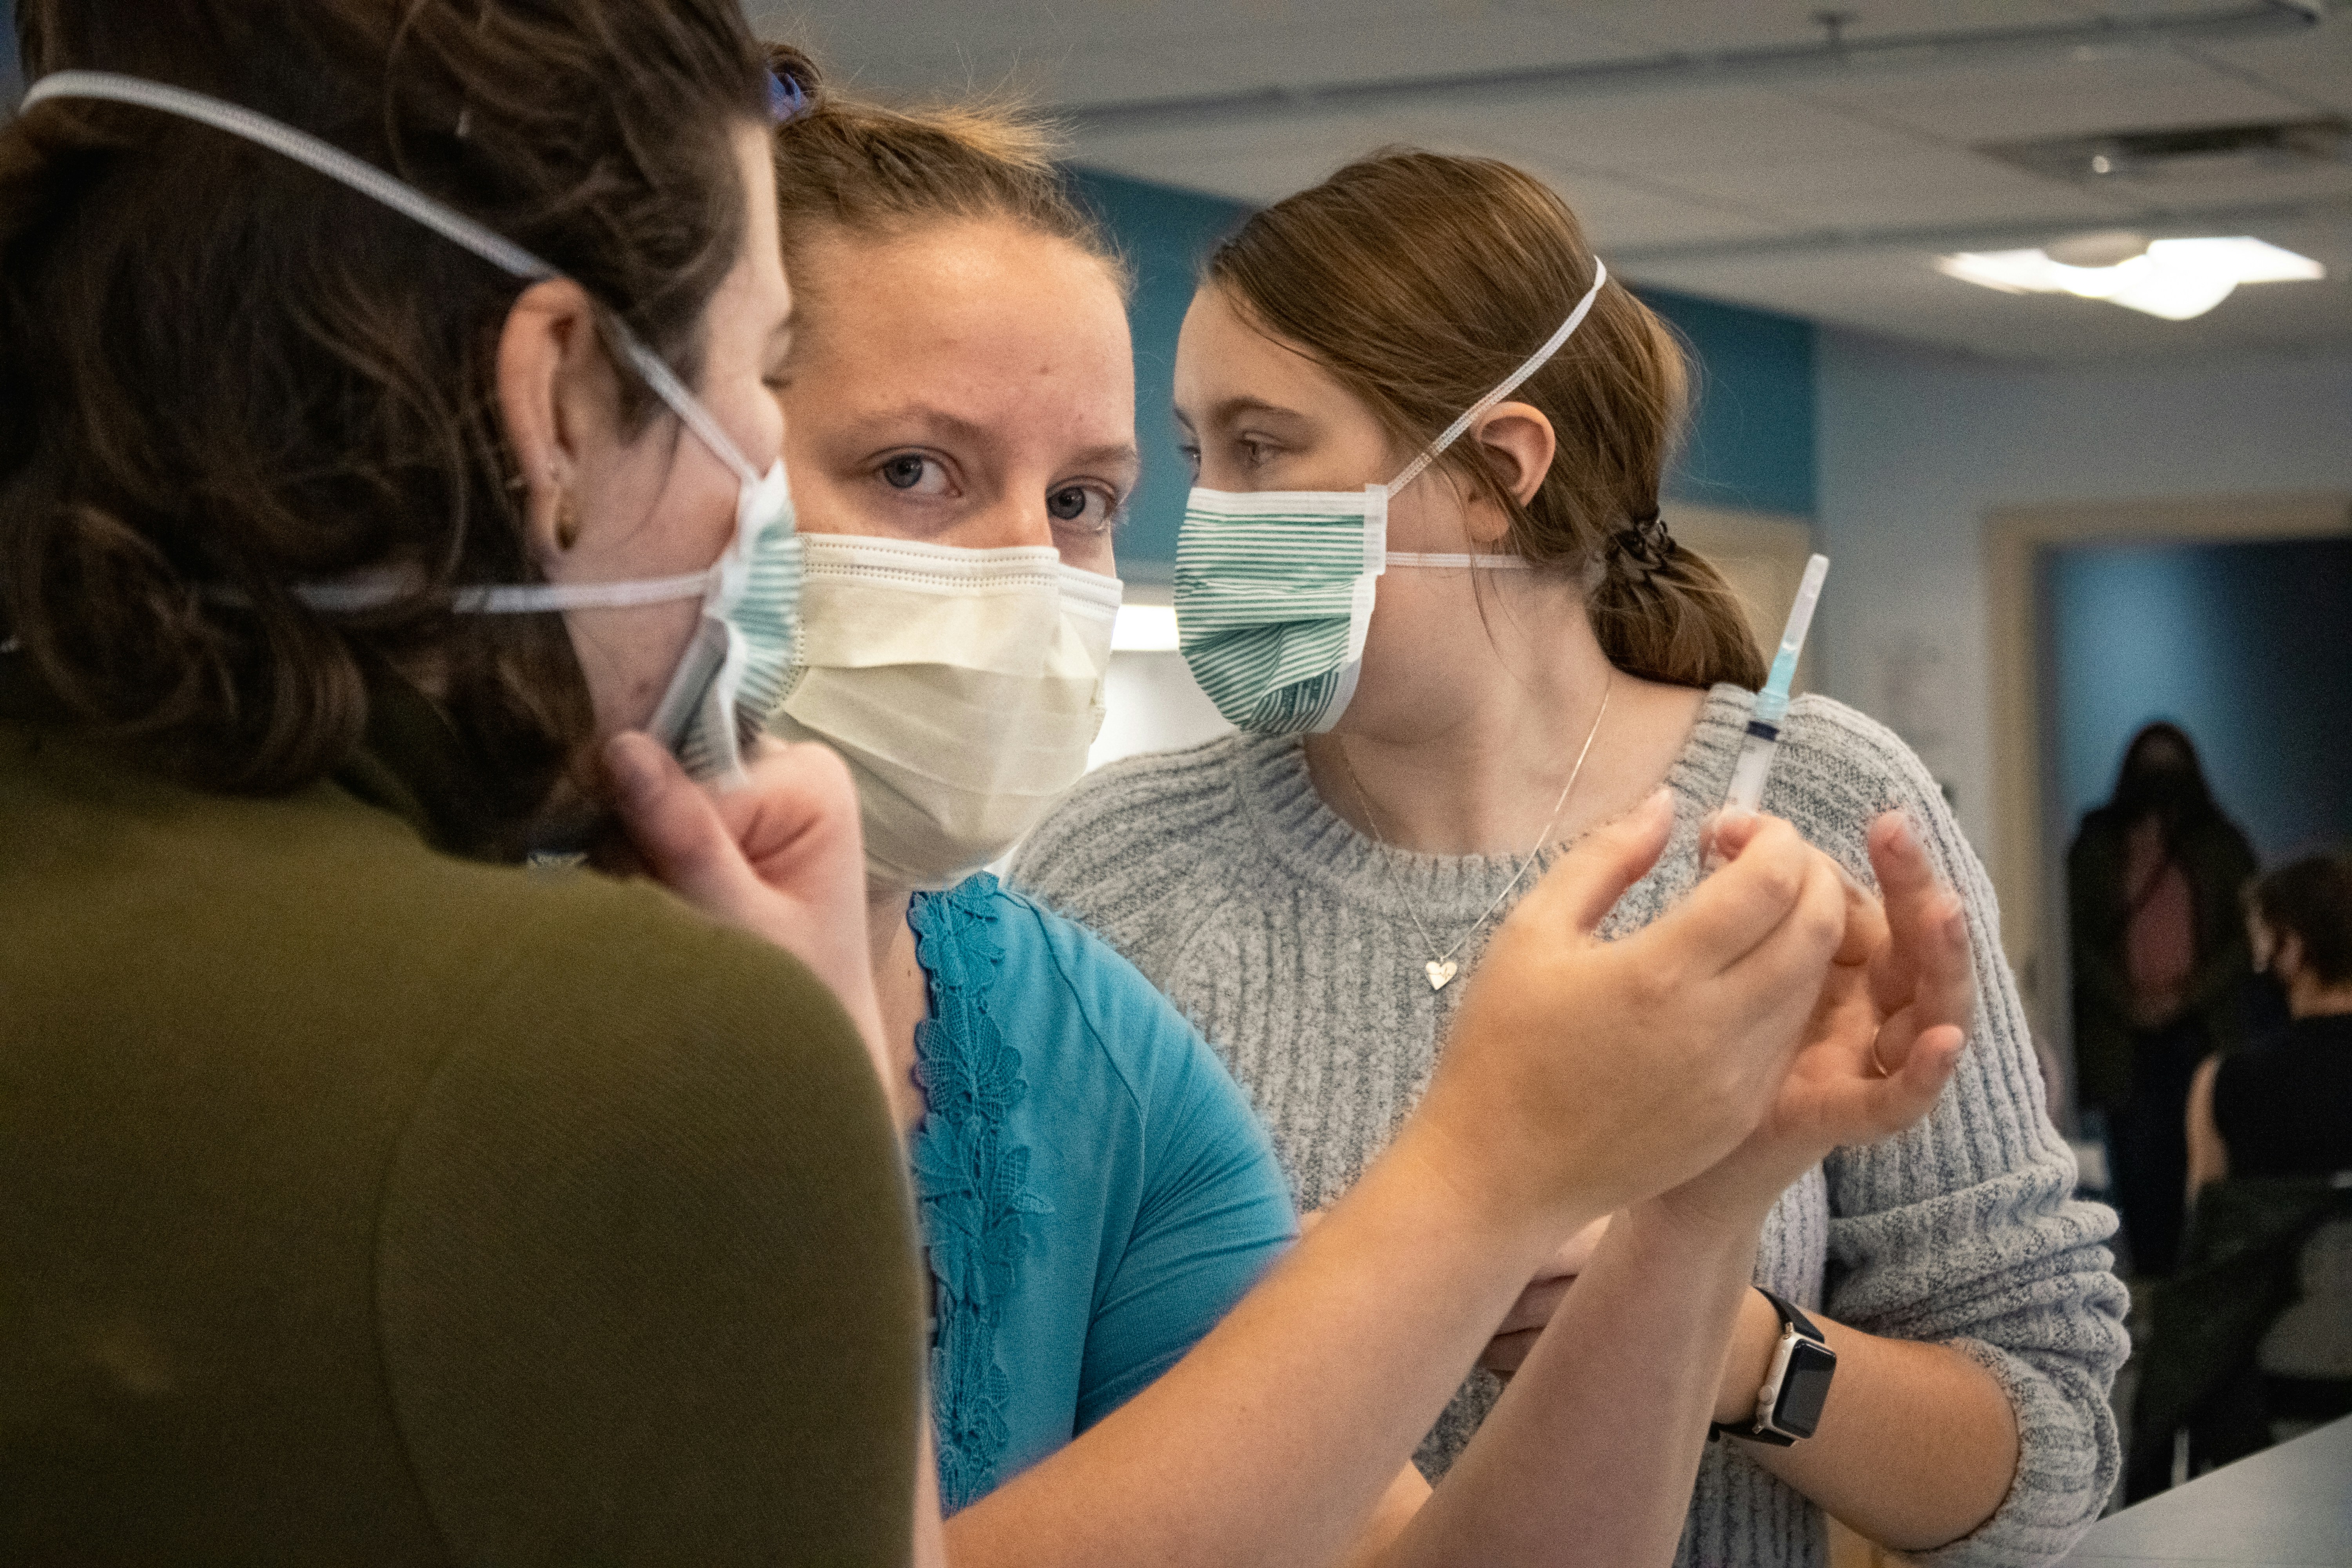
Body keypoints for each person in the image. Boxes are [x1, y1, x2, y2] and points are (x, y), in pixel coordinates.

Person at [758, 69, 1974, 1568]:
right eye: (911, 469)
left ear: (1497, 474)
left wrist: (1695, 1215)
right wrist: (1486, 1169)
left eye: (1084, 498)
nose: (1034, 567)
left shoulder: (1070, 1031)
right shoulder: (514, 996)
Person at [1017, 149, 2130, 1566]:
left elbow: (2047, 1450)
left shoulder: (1815, 817)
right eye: (1192, 454)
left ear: (1499, 470)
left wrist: (1723, 1340)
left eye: (1263, 447)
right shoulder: (1111, 869)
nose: (1209, 516)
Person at [0, 2, 929, 1561]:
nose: (762, 466)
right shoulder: (636, 1054)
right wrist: (820, 1058)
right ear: (555, 394)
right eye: (759, 374)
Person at [2069, 721, 2261, 1275]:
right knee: (2136, 1168)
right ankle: (2153, 1285)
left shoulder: (2221, 844)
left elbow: (2245, 933)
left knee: (2203, 1168)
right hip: (2121, 1041)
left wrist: (2189, 996)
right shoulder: (2099, 846)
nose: (2161, 781)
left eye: (2171, 767)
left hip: (2203, 1031)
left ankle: (2196, 1284)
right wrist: (2125, 999)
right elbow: (2074, 937)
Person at [2187, 851, 2352, 1189]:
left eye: (2261, 941)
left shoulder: (2222, 1082)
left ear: (2291, 946)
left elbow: (2208, 1231)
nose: (2257, 961)